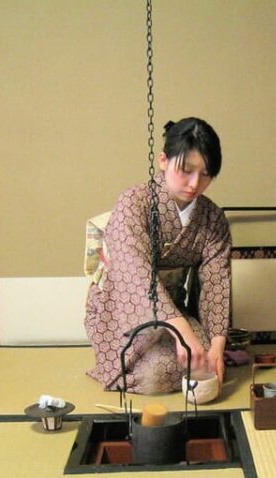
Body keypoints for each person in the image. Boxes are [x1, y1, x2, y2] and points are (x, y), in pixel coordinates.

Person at [85, 117, 231, 395]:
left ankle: (190, 349)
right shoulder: (133, 202)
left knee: (203, 364)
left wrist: (217, 345)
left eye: (205, 174)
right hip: (121, 311)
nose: (194, 183)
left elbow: (216, 283)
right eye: (186, 170)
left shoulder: (212, 217)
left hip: (174, 309)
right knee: (158, 375)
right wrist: (184, 333)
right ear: (163, 160)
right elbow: (136, 274)